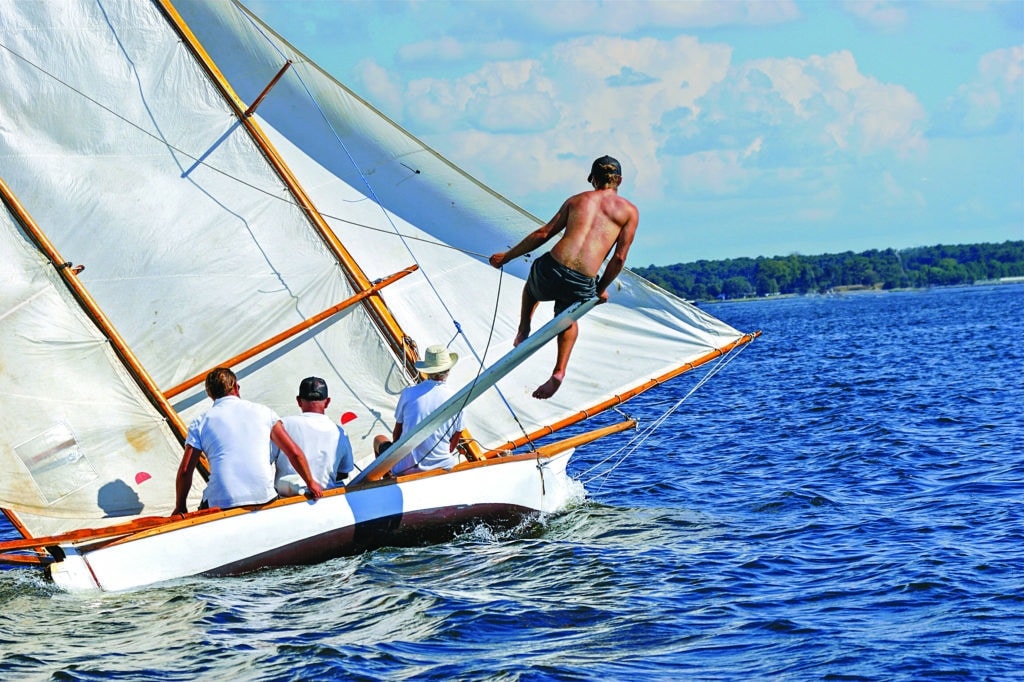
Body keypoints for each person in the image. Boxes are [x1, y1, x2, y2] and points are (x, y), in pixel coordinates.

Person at [489, 155, 639, 399]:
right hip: (581, 280)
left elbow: (544, 233)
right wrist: (599, 288)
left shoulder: (577, 201)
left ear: (592, 179)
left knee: (532, 286)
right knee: (567, 317)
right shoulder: (629, 212)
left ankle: (523, 328)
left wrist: (506, 257)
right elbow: (619, 258)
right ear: (619, 180)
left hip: (552, 268)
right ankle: (559, 371)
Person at [173, 367, 323, 515]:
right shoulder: (265, 412)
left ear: (209, 394)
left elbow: (186, 471)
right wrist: (311, 483)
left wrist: (180, 507)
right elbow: (294, 452)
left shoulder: (200, 422)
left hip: (221, 502)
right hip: (263, 497)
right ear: (237, 388)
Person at [372, 344, 465, 476]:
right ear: (448, 369)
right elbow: (453, 444)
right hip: (443, 466)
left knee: (379, 439)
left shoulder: (408, 394)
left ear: (427, 370)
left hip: (405, 468)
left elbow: (396, 435)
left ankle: (387, 481)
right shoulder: (458, 398)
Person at [272, 376, 354, 496]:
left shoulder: (282, 425)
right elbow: (343, 472)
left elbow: (265, 461)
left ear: (299, 401)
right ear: (327, 402)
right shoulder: (340, 432)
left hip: (288, 502)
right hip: (326, 498)